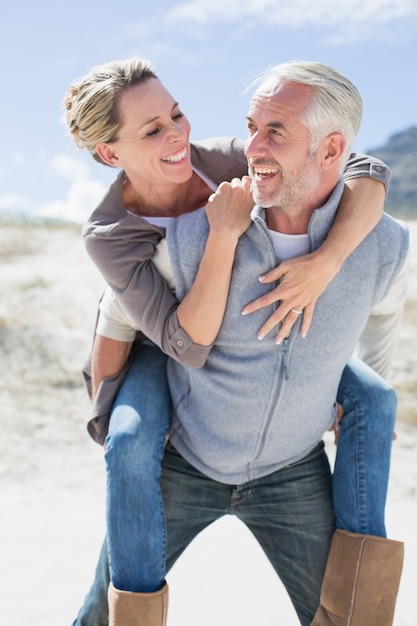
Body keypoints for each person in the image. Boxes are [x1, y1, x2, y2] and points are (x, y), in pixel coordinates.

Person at [62, 58, 404, 626]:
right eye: (152, 131)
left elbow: (359, 164)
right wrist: (223, 232)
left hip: (286, 444)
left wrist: (329, 259)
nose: (177, 137)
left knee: (376, 397)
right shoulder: (116, 234)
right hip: (165, 351)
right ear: (110, 153)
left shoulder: (223, 160)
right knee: (127, 435)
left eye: (176, 115)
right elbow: (157, 331)